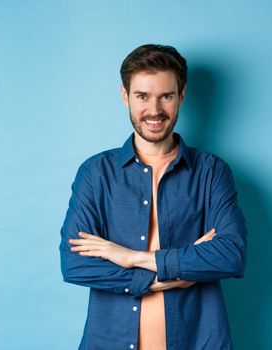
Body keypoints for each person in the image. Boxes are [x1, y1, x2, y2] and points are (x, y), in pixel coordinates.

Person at [59, 44, 248, 350]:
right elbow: (75, 264)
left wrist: (134, 257)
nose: (155, 110)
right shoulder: (96, 174)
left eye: (166, 96)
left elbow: (231, 255)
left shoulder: (211, 172)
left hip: (197, 342)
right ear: (125, 96)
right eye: (142, 96)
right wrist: (172, 275)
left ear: (182, 96)